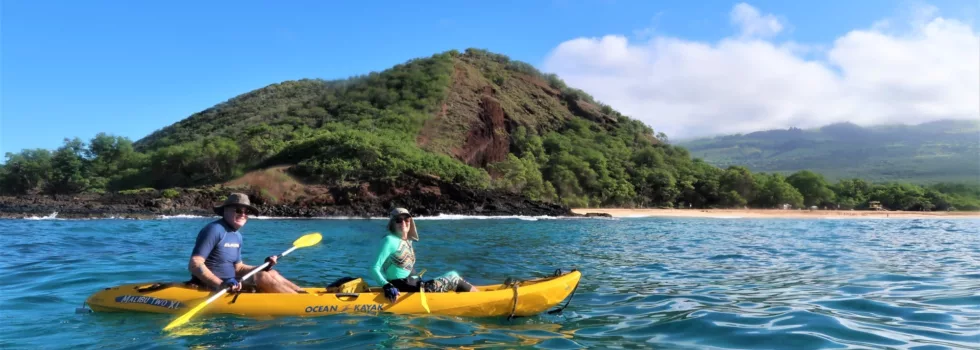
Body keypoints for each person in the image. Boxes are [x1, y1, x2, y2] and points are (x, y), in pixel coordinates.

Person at [186, 192, 306, 294]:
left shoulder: (237, 236)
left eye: (246, 212)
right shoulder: (214, 230)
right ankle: (300, 304)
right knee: (262, 277)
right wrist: (220, 284)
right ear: (225, 211)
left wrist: (264, 266)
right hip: (213, 285)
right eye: (238, 210)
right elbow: (195, 263)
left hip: (232, 282)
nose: (243, 215)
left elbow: (239, 268)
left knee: (271, 272)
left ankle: (302, 295)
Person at [370, 207, 478, 303]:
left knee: (453, 274)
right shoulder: (389, 240)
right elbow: (374, 268)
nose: (403, 223)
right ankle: (478, 300)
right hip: (402, 289)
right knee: (453, 279)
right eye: (398, 220)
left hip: (415, 285)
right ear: (392, 224)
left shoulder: (407, 241)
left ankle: (471, 296)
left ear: (410, 222)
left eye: (406, 219)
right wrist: (386, 285)